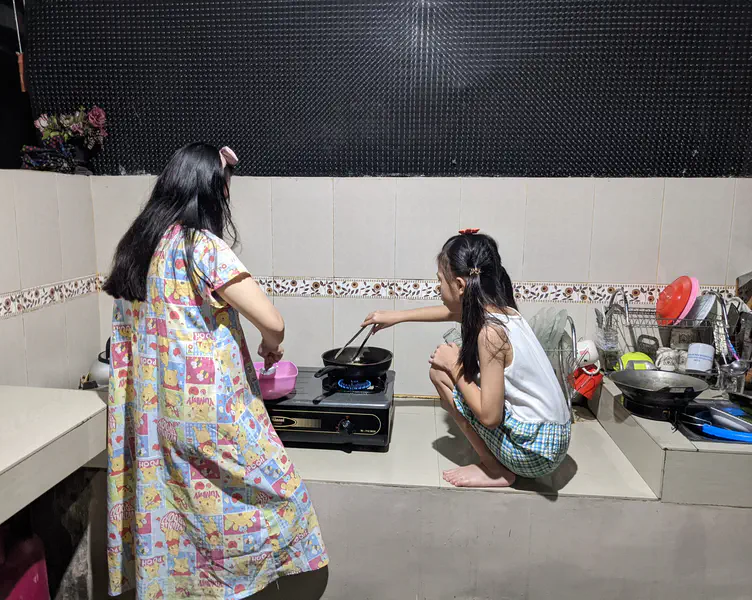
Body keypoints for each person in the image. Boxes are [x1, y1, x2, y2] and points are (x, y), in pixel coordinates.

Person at [102, 143, 328, 599]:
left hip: (154, 421)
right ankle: (245, 581)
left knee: (182, 516)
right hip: (208, 414)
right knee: (283, 495)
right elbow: (273, 320)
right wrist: (272, 343)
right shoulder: (200, 245)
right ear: (212, 189)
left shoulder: (138, 247)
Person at [362, 229, 571, 488]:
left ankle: (495, 470)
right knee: (453, 371)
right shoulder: (504, 311)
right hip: (554, 440)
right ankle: (497, 464)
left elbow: (490, 417)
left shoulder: (489, 334)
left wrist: (453, 365)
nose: (438, 287)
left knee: (440, 372)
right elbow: (450, 313)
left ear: (460, 285)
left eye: (440, 280)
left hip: (534, 455)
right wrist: (397, 316)